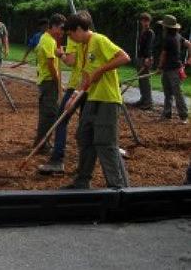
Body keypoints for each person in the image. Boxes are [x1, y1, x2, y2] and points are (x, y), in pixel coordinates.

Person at [62, 11, 131, 189]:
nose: (71, 38)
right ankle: (82, 181)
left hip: (107, 99)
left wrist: (100, 70)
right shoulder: (82, 47)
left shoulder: (99, 40)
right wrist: (74, 97)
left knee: (105, 142)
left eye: (70, 34)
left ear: (79, 29)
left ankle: (118, 187)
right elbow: (85, 77)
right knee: (84, 136)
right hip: (92, 97)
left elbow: (124, 57)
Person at [39, 21, 86, 174]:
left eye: (68, 32)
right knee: (85, 124)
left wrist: (61, 55)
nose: (67, 35)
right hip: (89, 85)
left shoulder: (73, 39)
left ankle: (57, 160)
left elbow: (70, 61)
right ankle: (84, 164)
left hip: (77, 85)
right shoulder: (94, 39)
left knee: (61, 120)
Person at [34, 13, 66, 154]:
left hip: (46, 80)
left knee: (47, 113)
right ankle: (42, 144)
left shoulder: (48, 39)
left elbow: (53, 58)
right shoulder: (48, 40)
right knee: (50, 113)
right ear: (52, 26)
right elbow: (51, 64)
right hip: (48, 81)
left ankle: (41, 142)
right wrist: (57, 80)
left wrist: (59, 54)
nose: (62, 32)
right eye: (60, 28)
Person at [156, 15, 190, 124]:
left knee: (176, 93)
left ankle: (184, 116)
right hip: (172, 69)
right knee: (168, 92)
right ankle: (167, 113)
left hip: (172, 70)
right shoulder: (178, 36)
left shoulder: (168, 38)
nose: (163, 28)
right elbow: (189, 44)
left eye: (163, 26)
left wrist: (159, 67)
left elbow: (163, 54)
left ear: (166, 27)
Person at [130, 12, 155, 110]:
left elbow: (149, 47)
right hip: (140, 58)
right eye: (143, 21)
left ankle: (148, 102)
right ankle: (143, 99)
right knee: (141, 80)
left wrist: (148, 58)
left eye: (147, 21)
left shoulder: (150, 32)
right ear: (141, 21)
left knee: (145, 80)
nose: (145, 23)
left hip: (146, 59)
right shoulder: (142, 32)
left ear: (149, 21)